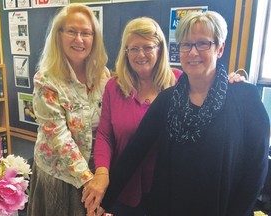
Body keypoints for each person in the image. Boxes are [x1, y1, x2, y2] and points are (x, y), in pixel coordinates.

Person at [90, 11, 269, 216]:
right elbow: (135, 151)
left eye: (202, 43)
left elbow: (256, 168)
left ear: (220, 48)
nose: (193, 52)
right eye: (186, 44)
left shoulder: (244, 97)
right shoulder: (168, 99)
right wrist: (104, 200)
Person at [27, 3, 109, 216]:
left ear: (95, 38)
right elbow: (59, 138)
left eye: (86, 33)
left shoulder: (103, 75)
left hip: (97, 172)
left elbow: (108, 125)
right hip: (61, 175)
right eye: (72, 31)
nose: (79, 39)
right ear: (59, 35)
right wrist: (90, 183)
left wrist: (102, 174)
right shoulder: (46, 80)